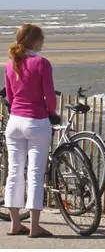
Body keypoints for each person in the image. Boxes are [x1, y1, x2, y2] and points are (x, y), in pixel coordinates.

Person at [3, 24, 56, 238]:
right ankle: (34, 226)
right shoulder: (42, 63)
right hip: (36, 121)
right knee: (35, 173)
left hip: (14, 121)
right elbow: (50, 96)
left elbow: (10, 96)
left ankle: (15, 223)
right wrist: (51, 113)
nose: (43, 43)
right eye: (41, 39)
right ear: (34, 41)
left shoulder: (10, 64)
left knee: (14, 172)